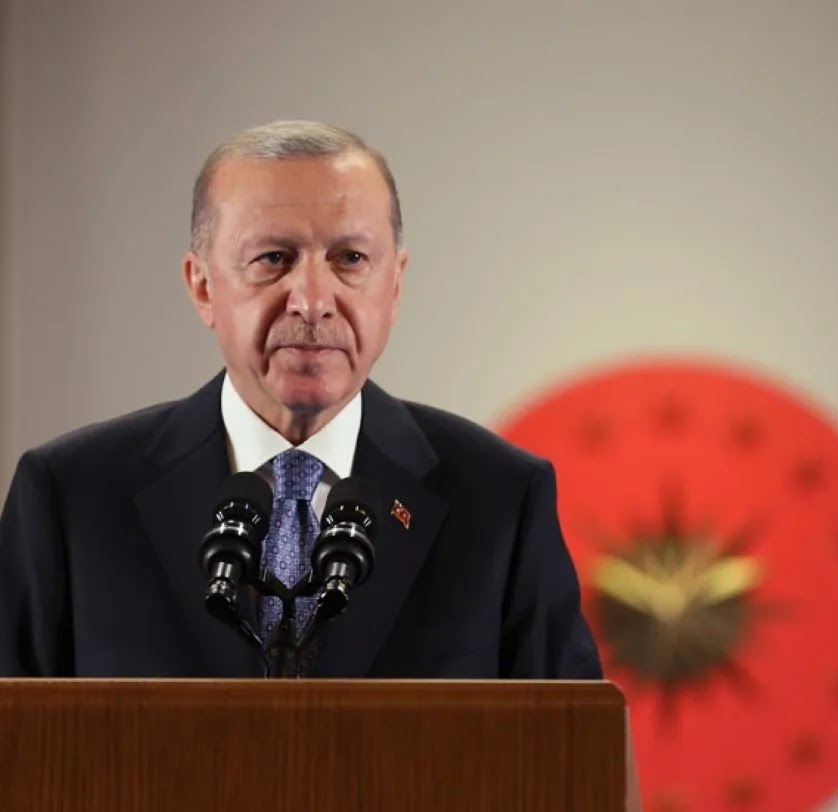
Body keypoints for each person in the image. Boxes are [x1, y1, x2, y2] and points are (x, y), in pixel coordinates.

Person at [0, 120, 604, 679]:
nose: (313, 301)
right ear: (202, 286)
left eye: (351, 259)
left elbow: (573, 747)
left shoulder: (499, 498)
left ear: (394, 285)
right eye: (273, 258)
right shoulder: (70, 498)